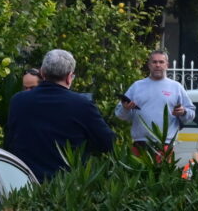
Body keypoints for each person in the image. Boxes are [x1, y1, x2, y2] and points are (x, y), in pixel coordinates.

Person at [6, 49, 116, 180]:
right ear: (70, 77)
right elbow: (108, 143)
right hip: (65, 188)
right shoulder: (82, 105)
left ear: (42, 72)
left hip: (25, 181)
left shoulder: (18, 101)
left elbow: (10, 140)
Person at [116, 50, 195, 147]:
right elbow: (120, 115)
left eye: (161, 62)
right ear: (149, 65)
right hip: (140, 143)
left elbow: (191, 114)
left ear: (167, 65)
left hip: (165, 144)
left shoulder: (176, 87)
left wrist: (183, 112)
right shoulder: (137, 86)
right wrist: (126, 108)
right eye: (154, 62)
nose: (158, 65)